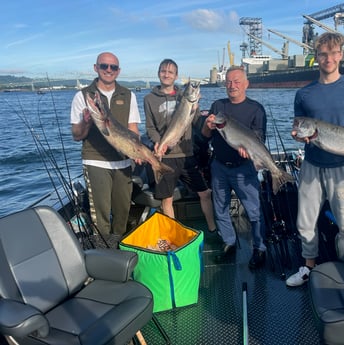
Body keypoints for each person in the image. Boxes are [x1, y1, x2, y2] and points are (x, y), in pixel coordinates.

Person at [287, 33, 344, 286]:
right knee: (305, 221)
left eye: (332, 53)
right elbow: (298, 129)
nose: (328, 58)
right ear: (316, 57)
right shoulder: (304, 94)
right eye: (322, 54)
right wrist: (298, 136)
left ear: (340, 55)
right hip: (312, 165)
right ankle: (307, 267)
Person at [70, 52, 141, 241]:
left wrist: (137, 151)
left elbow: (133, 129)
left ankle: (119, 249)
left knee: (123, 211)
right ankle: (102, 253)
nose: (108, 70)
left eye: (113, 67)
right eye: (104, 66)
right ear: (96, 68)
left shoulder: (128, 95)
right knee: (100, 215)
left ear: (118, 71)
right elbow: (76, 136)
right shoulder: (82, 96)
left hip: (123, 161)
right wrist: (86, 123)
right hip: (96, 161)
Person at [202, 66, 267, 269]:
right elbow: (205, 135)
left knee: (254, 212)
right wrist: (208, 125)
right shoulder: (218, 106)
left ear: (246, 84)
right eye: (229, 81)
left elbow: (259, 140)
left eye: (237, 81)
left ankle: (260, 248)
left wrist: (248, 151)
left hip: (244, 168)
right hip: (219, 167)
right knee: (220, 209)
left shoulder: (256, 109)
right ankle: (229, 243)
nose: (232, 85)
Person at [144, 59, 216, 233]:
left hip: (186, 154)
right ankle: (173, 235)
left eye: (170, 72)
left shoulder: (183, 97)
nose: (166, 74)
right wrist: (157, 143)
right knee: (167, 200)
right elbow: (150, 128)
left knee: (205, 193)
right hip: (165, 157)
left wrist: (205, 119)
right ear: (158, 73)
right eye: (163, 71)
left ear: (176, 76)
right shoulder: (149, 99)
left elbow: (197, 121)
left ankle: (214, 229)